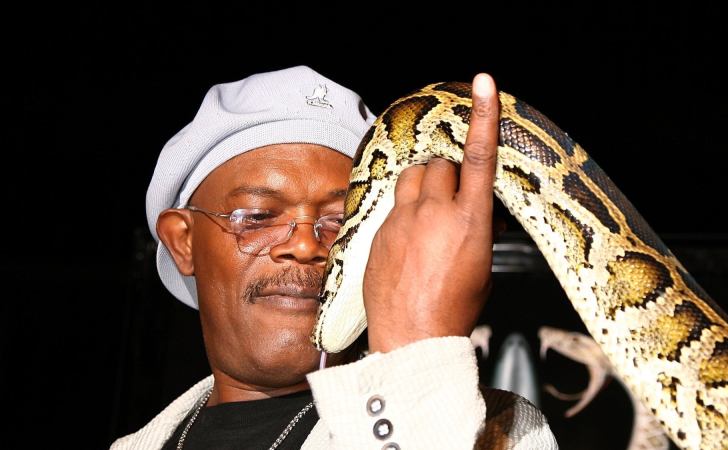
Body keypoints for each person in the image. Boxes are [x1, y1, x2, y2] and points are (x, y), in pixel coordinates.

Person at [111, 66, 557, 449]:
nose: (306, 246)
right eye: (259, 216)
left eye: (340, 222)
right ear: (183, 242)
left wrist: (414, 348)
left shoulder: (504, 429)